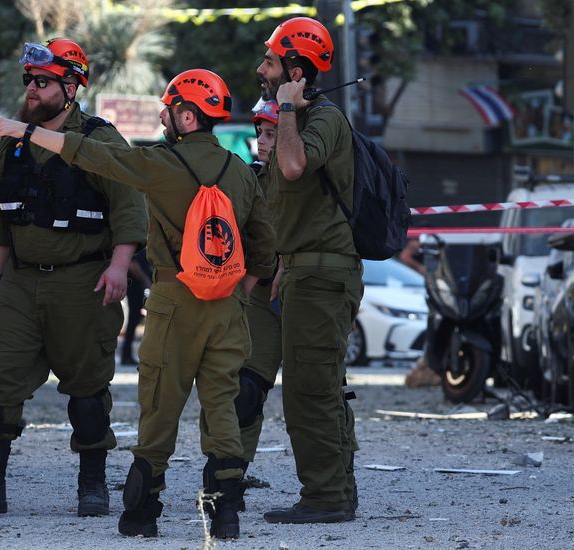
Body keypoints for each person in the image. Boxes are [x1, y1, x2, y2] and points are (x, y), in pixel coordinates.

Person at [0, 68, 276, 540]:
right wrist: (240, 291)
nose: (162, 117)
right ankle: (225, 512)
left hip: (176, 300)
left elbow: (93, 155)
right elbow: (264, 247)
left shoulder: (161, 164)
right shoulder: (241, 171)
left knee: (159, 404)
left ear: (187, 116)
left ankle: (143, 511)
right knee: (222, 403)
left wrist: (27, 132)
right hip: (226, 305)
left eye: (168, 109)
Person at [0, 38, 148, 518]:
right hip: (21, 283)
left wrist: (119, 265)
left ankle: (92, 484)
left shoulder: (100, 140)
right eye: (29, 79)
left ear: (71, 88)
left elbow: (130, 208)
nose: (31, 88)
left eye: (43, 81)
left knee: (87, 383)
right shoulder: (12, 143)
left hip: (83, 281)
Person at [255, 17, 363, 524]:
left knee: (310, 390)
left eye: (271, 62)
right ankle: (337, 490)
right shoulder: (302, 117)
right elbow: (294, 204)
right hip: (305, 270)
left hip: (323, 276)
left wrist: (286, 109)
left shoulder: (323, 118)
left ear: (295, 71)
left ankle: (326, 497)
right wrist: (283, 259)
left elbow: (294, 166)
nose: (262, 70)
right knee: (321, 385)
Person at [211, 99, 282, 508]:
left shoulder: (320, 179)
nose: (262, 142)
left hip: (310, 293)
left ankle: (336, 479)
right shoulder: (249, 178)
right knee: (247, 390)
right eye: (260, 133)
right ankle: (230, 477)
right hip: (259, 293)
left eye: (271, 134)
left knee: (327, 393)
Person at [120, 249, 151, 366]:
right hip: (135, 285)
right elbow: (132, 264)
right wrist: (146, 281)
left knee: (136, 319)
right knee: (133, 320)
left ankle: (127, 354)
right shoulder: (139, 246)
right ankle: (126, 354)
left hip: (140, 285)